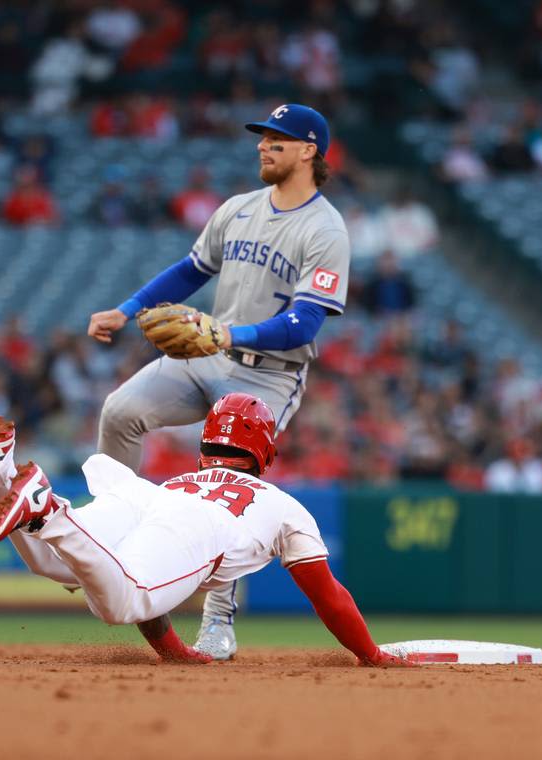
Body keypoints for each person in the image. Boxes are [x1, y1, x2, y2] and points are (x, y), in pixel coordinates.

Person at [85, 104, 350, 660]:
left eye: (277, 139)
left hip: (270, 375)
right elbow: (190, 271)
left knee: (226, 488)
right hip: (207, 355)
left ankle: (218, 619)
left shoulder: (325, 230)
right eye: (262, 138)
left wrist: (230, 334)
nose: (263, 146)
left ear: (309, 151)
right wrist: (127, 308)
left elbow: (304, 322)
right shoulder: (237, 209)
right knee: (119, 412)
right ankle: (110, 533)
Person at [0, 394, 407, 668]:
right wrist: (371, 655)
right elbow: (329, 597)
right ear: (264, 451)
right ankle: (48, 507)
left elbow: (155, 583)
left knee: (51, 562)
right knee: (122, 601)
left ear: (206, 443)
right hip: (198, 526)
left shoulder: (183, 477)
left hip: (146, 495)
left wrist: (174, 652)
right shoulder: (284, 506)